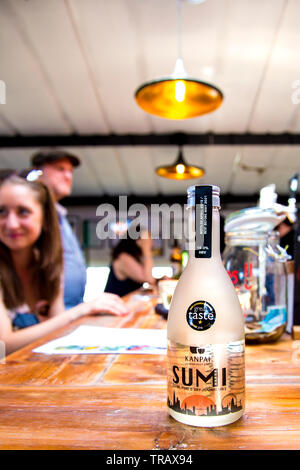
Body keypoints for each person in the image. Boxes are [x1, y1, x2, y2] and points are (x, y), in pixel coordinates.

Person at [0, 173, 129, 355]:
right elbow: (4, 345)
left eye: (23, 212)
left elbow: (57, 331)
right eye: (1, 212)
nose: (11, 224)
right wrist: (83, 309)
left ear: (45, 219)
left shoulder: (50, 265)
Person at [30, 149, 87, 309]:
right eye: (60, 169)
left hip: (70, 309)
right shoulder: (33, 212)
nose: (68, 176)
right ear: (38, 172)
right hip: (44, 313)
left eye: (70, 171)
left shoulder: (60, 214)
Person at [104, 228, 155, 297]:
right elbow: (149, 279)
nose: (152, 242)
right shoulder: (123, 258)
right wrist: (146, 249)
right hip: (113, 305)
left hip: (123, 304)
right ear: (138, 241)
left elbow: (148, 276)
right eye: (148, 239)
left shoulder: (135, 258)